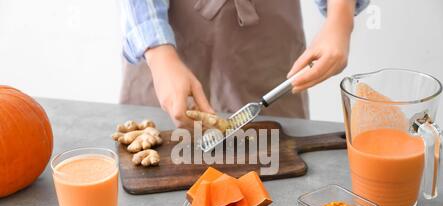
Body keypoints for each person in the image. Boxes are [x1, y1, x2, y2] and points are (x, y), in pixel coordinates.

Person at [120, 0, 369, 128]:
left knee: (273, 159)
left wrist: (341, 17)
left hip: (269, 35)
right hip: (167, 36)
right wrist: (159, 53)